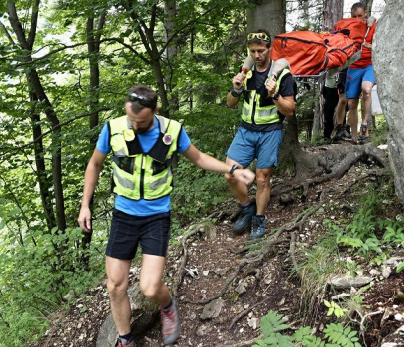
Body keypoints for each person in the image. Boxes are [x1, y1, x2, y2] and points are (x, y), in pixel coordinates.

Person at [77, 85, 255, 347]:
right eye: (131, 119)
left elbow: (199, 158)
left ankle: (168, 305)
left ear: (155, 111)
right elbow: (94, 163)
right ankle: (125, 339)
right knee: (115, 286)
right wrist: (85, 205)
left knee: (150, 287)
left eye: (142, 121)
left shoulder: (171, 131)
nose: (135, 124)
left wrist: (233, 168)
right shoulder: (113, 129)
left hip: (156, 216)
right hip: (123, 215)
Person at [225, 29, 296, 239]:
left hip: (270, 131)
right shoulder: (245, 73)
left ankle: (259, 218)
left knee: (262, 178)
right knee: (230, 173)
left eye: (261, 50)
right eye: (253, 51)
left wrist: (274, 95)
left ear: (269, 49)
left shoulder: (283, 74)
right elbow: (230, 104)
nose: (257, 55)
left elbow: (290, 111)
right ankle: (247, 207)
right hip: (246, 130)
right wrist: (236, 89)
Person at [334, 2, 377, 143]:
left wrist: (368, 46)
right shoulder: (350, 28)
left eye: (360, 15)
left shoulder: (373, 26)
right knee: (351, 104)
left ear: (366, 13)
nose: (358, 19)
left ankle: (364, 125)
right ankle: (355, 137)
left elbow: (381, 45)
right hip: (353, 66)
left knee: (367, 89)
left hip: (368, 65)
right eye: (354, 16)